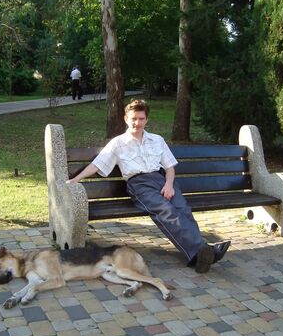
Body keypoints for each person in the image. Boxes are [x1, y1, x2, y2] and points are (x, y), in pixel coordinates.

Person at [66, 99, 230, 273]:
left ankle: (199, 255)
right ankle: (203, 251)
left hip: (163, 180)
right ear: (126, 119)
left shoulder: (157, 140)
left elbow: (169, 167)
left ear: (146, 120)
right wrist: (75, 180)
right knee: (167, 211)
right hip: (139, 184)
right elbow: (97, 165)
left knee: (183, 209)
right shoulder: (118, 143)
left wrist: (169, 184)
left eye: (141, 119)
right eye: (133, 118)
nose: (137, 123)